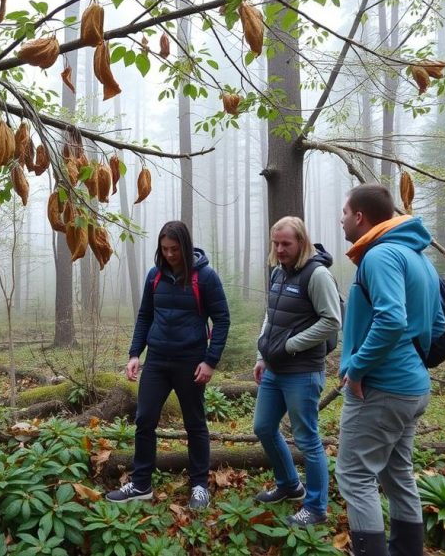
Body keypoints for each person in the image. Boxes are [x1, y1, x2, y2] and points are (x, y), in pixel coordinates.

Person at [335, 184, 445, 556]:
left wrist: (358, 368)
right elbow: (440, 324)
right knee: (396, 474)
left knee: (354, 475)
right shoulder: (418, 259)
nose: (341, 220)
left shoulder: (380, 256)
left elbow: (392, 319)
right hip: (412, 387)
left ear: (360, 217)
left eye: (344, 213)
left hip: (381, 388)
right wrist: (412, 359)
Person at [105, 220, 230, 509]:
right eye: (164, 249)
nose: (170, 254)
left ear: (185, 247)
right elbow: (145, 315)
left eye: (174, 249)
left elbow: (222, 319)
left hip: (190, 362)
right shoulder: (155, 276)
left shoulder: (206, 277)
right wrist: (135, 353)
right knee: (145, 420)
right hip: (157, 361)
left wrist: (210, 361)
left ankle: (199, 485)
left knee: (195, 424)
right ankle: (141, 483)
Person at [252, 216, 341, 527]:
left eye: (286, 243)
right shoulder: (278, 272)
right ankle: (290, 485)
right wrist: (262, 355)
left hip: (302, 371)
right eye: (276, 243)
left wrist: (290, 345)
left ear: (301, 242)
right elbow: (271, 315)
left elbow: (331, 321)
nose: (279, 249)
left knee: (307, 439)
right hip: (275, 368)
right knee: (263, 427)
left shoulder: (317, 275)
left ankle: (316, 508)